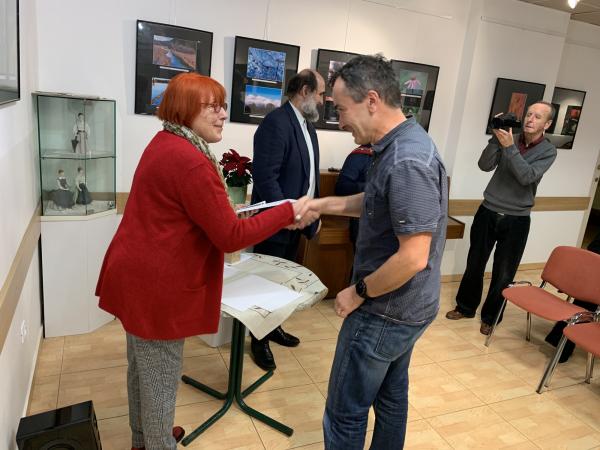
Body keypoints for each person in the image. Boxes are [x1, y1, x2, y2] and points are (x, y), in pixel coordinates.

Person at [95, 73, 316, 450]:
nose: (223, 114)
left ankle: (144, 439)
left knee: (143, 370)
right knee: (160, 379)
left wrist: (236, 214)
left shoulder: (166, 142)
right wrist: (286, 211)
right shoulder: (191, 160)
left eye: (223, 106)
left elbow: (195, 214)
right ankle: (158, 443)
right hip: (156, 289)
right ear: (184, 110)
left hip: (135, 277)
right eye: (212, 107)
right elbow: (230, 236)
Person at [298, 55, 447, 449]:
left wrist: (357, 292)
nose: (340, 121)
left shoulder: (406, 159)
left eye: (342, 110)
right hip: (406, 308)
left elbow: (413, 257)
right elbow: (376, 201)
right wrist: (321, 205)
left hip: (385, 311)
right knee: (391, 399)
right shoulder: (400, 144)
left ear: (372, 101)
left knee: (345, 414)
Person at [445, 102, 558, 335]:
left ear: (547, 124)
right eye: (529, 114)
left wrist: (509, 147)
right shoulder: (508, 138)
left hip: (517, 218)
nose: (530, 119)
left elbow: (527, 176)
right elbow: (484, 165)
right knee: (475, 263)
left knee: (504, 273)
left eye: (537, 117)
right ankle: (465, 307)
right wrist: (495, 138)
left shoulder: (548, 151)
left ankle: (491, 317)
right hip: (488, 210)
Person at [249, 69, 326, 371]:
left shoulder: (308, 127)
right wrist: (287, 214)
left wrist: (314, 211)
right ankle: (258, 340)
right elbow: (266, 178)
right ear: (305, 90)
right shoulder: (276, 123)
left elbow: (310, 176)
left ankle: (273, 327)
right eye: (320, 94)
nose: (323, 101)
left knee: (282, 283)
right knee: (264, 284)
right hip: (276, 223)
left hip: (298, 222)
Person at [334, 144, 373, 249]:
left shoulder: (397, 155)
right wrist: (373, 188)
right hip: (364, 223)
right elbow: (341, 188)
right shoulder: (360, 155)